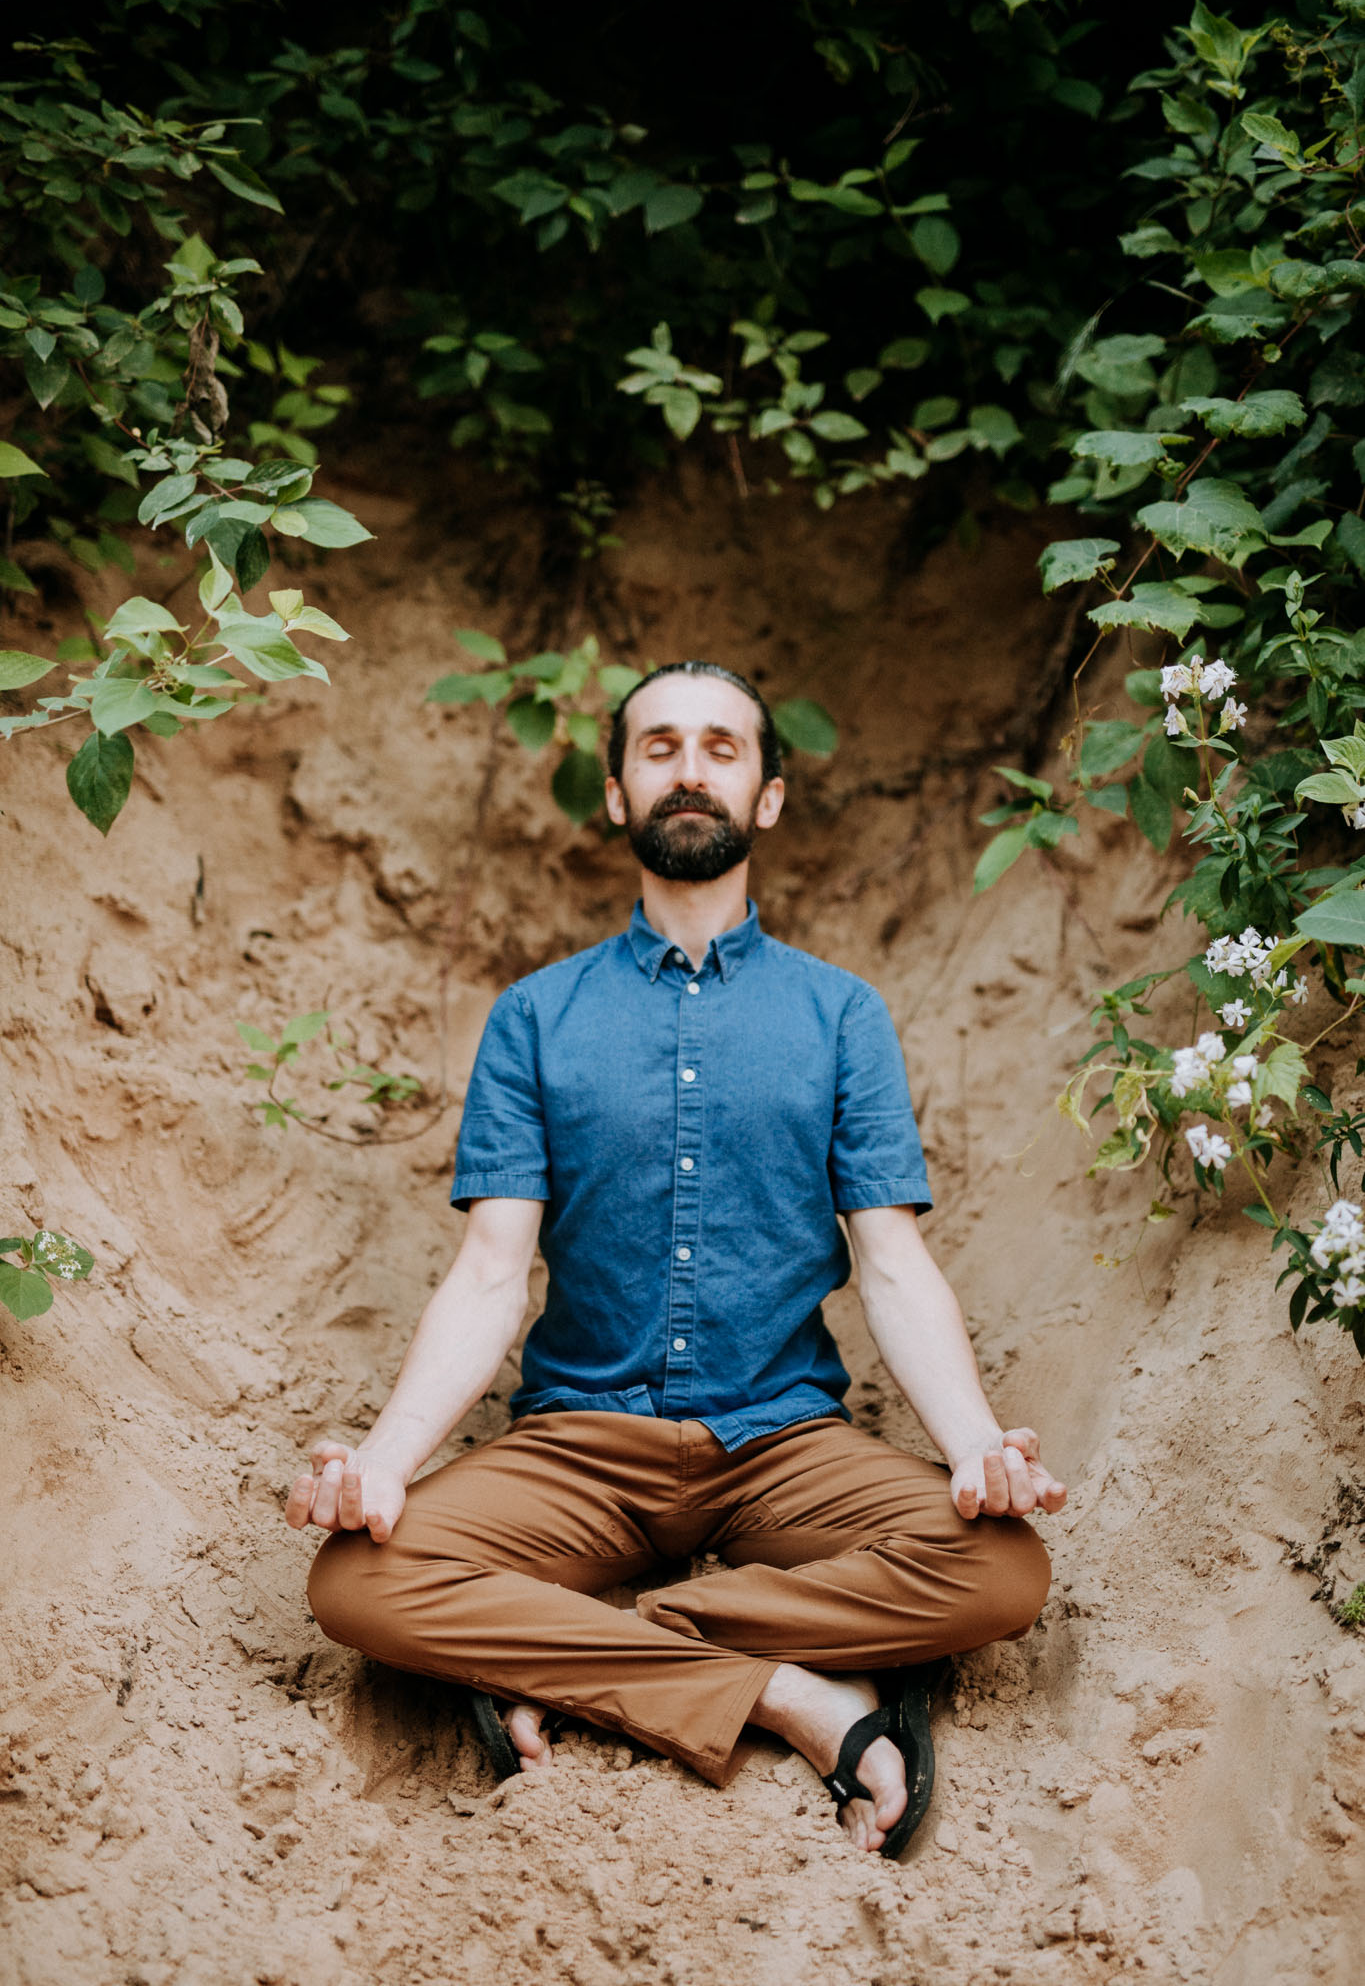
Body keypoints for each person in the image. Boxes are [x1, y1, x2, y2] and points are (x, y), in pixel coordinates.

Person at [288, 660, 1066, 1857]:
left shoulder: (842, 1014)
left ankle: (580, 1642)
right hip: (579, 1445)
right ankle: (790, 1689)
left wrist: (973, 1447)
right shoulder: (536, 1016)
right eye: (658, 747)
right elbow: (493, 1271)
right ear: (615, 793)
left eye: (720, 747)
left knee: (1005, 1570)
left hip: (784, 1444)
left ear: (767, 796)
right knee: (352, 1581)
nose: (690, 769)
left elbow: (892, 1260)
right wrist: (387, 1463)